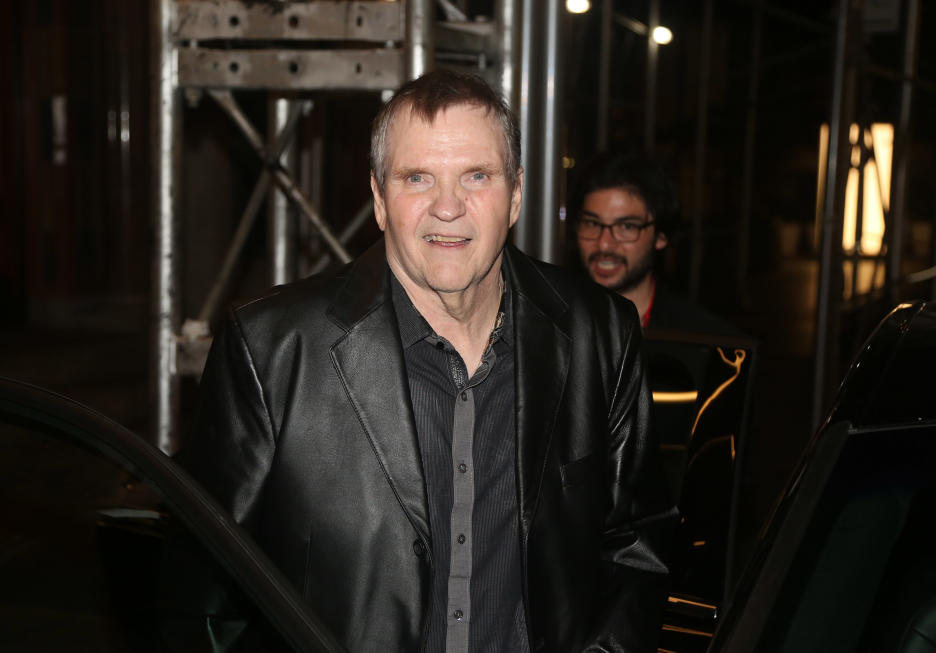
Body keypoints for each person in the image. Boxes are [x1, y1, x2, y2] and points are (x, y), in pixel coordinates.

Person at [183, 70, 676, 653]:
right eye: (418, 177)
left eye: (476, 176)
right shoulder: (270, 349)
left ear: (515, 193)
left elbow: (635, 550)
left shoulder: (601, 334)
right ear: (379, 199)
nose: (448, 207)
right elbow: (209, 598)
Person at [571, 151, 743, 337]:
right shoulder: (551, 327)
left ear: (661, 237)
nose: (604, 244)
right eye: (592, 223)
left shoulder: (705, 340)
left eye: (627, 227)